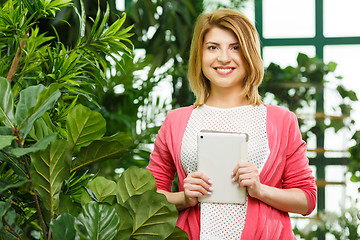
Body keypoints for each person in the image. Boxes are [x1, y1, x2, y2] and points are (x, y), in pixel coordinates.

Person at [147, 8, 317, 240]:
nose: (224, 58)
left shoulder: (281, 120)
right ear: (200, 54)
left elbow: (306, 200)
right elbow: (148, 196)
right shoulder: (176, 121)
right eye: (212, 47)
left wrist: (260, 190)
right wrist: (184, 198)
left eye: (235, 47)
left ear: (249, 54)